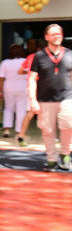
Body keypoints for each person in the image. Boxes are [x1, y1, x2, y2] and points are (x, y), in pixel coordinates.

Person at [29, 24, 72, 171]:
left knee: (68, 126)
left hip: (67, 97)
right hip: (45, 99)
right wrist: (32, 99)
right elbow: (32, 78)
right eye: (53, 34)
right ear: (47, 37)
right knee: (47, 130)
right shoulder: (39, 56)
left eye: (59, 34)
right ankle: (52, 159)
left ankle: (66, 154)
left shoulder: (69, 54)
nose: (57, 36)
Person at [0, 44, 27, 138]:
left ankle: (7, 129)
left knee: (8, 108)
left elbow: (1, 78)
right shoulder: (25, 61)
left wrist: (0, 91)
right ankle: (19, 131)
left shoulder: (5, 62)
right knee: (21, 109)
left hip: (8, 85)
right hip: (23, 85)